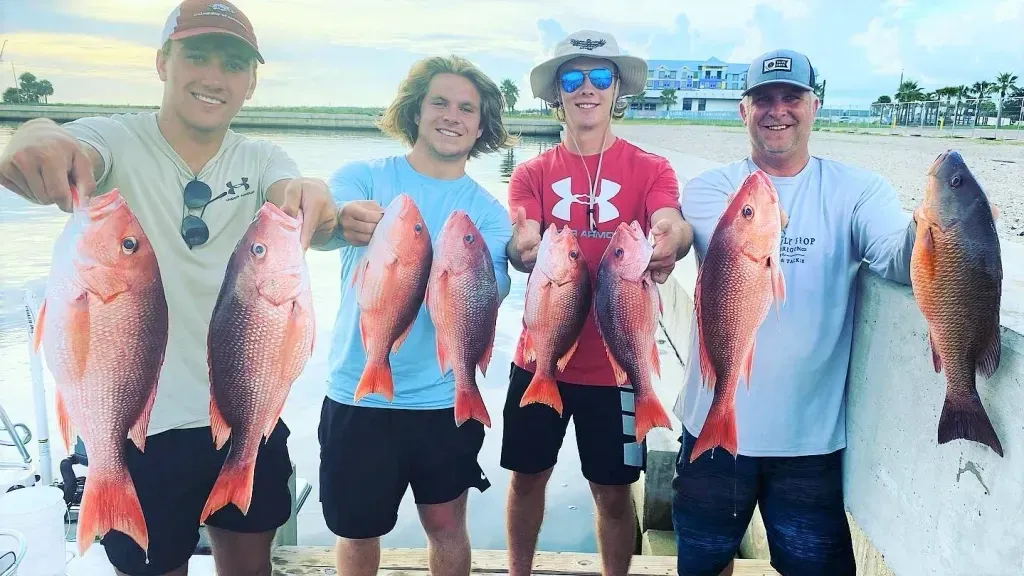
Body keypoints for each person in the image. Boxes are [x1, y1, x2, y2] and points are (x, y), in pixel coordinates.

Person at [0, 2, 339, 575]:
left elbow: (296, 199)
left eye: (233, 64)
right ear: (162, 62)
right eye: (197, 55)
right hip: (135, 424)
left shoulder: (260, 159)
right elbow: (64, 141)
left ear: (251, 82)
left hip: (245, 406)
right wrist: (34, 136)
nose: (214, 76)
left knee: (251, 564)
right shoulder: (116, 137)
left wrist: (315, 200)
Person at [671, 49, 917, 576]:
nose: (777, 110)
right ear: (744, 111)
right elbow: (733, 255)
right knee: (701, 566)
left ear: (815, 106)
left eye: (792, 98)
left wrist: (939, 232)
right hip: (713, 421)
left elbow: (897, 260)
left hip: (809, 441)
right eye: (763, 99)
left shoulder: (858, 190)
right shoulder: (714, 189)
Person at [502, 30, 694, 576]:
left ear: (617, 90)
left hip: (615, 368)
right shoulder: (532, 173)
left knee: (613, 492)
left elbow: (670, 221)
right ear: (556, 95)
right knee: (526, 477)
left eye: (600, 76)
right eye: (572, 77)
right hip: (539, 355)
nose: (586, 88)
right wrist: (523, 246)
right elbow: (522, 237)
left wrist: (669, 240)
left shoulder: (651, 168)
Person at [318, 54, 515, 576]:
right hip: (356, 390)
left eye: (468, 108)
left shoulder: (491, 214)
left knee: (447, 526)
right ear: (416, 110)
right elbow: (323, 228)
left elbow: (489, 296)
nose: (453, 116)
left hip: (443, 398)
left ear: (482, 124)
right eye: (440, 102)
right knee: (357, 532)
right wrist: (340, 220)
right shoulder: (362, 178)